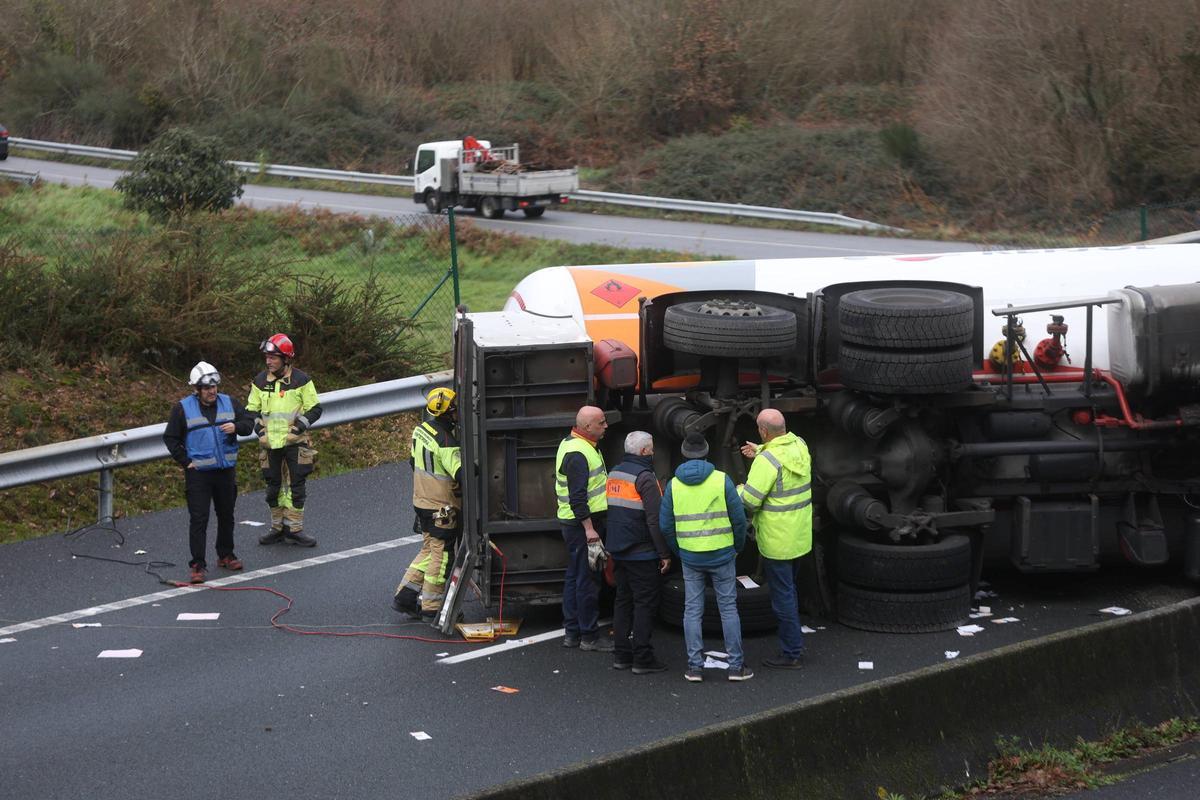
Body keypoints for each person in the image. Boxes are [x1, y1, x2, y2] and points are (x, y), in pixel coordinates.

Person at [660, 432, 752, 683]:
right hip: (723, 554)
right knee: (728, 609)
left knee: (692, 611)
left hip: (691, 557)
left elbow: (665, 525)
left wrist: (680, 551)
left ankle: (694, 668)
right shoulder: (722, 481)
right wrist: (737, 547)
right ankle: (736, 667)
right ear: (706, 451)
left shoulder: (673, 485)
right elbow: (739, 520)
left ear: (684, 451)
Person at [162, 361, 255, 584]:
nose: (212, 391)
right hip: (199, 475)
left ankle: (225, 554)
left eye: (214, 387)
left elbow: (249, 423)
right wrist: (185, 462)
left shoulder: (229, 402)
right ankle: (197, 565)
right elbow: (171, 438)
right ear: (197, 389)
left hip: (225, 471)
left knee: (226, 515)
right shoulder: (183, 408)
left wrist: (237, 427)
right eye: (206, 388)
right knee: (199, 519)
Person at [740, 408, 813, 670]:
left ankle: (792, 652)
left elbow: (750, 500)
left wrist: (738, 489)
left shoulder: (767, 461)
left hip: (777, 541)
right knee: (790, 590)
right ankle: (793, 645)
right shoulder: (800, 445)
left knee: (782, 597)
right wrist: (761, 450)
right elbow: (781, 461)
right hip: (800, 536)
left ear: (762, 431)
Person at [393, 387, 463, 623]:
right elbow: (461, 474)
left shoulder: (421, 430)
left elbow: (413, 461)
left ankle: (404, 596)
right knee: (442, 555)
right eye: (454, 410)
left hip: (421, 501)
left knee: (428, 549)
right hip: (441, 506)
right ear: (446, 413)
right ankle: (432, 605)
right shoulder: (447, 442)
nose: (457, 414)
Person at [247, 333, 322, 547]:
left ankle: (295, 529)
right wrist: (260, 432)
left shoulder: (301, 380)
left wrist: (298, 428)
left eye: (273, 357)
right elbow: (252, 410)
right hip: (270, 445)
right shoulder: (260, 381)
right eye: (267, 357)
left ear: (286, 359)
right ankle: (277, 528)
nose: (268, 361)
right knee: (273, 487)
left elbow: (315, 408)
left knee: (296, 487)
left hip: (295, 444)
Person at [605, 431, 671, 674]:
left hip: (618, 550)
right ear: (644, 452)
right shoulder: (645, 477)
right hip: (642, 552)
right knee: (644, 604)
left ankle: (621, 655)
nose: (653, 452)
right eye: (651, 448)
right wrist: (664, 553)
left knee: (623, 601)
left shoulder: (614, 473)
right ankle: (642, 658)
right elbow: (655, 520)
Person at [554, 405, 612, 651]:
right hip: (583, 525)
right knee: (588, 580)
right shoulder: (579, 453)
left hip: (573, 523)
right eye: (601, 422)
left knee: (575, 577)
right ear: (588, 427)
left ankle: (572, 633)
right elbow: (578, 498)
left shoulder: (573, 443)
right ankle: (589, 636)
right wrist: (590, 530)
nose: (605, 425)